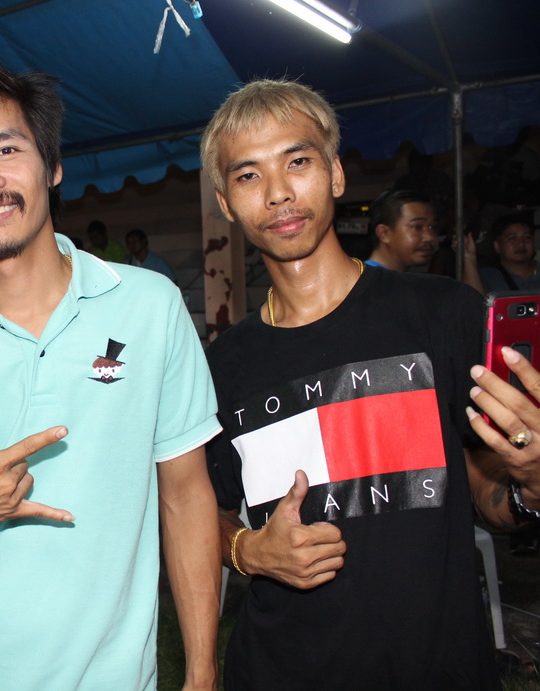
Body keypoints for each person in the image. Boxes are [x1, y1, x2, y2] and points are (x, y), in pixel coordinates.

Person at [0, 60, 222, 690]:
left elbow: (186, 495)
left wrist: (201, 671)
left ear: (52, 165)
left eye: (5, 149)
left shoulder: (150, 306)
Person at [200, 78, 540, 689]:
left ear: (335, 174)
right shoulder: (220, 367)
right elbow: (196, 510)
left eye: (297, 162)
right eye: (248, 175)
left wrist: (533, 484)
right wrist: (245, 551)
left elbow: (489, 496)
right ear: (226, 203)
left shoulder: (444, 314)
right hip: (280, 671)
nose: (278, 193)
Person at [364, 188, 439, 271]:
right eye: (417, 227)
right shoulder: (366, 277)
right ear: (384, 233)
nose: (429, 237)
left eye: (432, 227)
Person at [479, 213, 540, 292]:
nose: (521, 244)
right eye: (512, 238)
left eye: (527, 237)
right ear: (497, 246)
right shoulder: (485, 277)